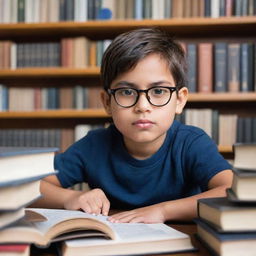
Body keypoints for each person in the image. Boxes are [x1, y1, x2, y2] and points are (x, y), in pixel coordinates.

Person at [34, 27, 233, 223]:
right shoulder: (93, 146)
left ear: (179, 100)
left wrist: (163, 211)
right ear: (107, 103)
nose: (143, 106)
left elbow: (231, 190)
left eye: (158, 91)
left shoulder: (191, 143)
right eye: (127, 92)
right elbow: (31, 186)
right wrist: (71, 198)